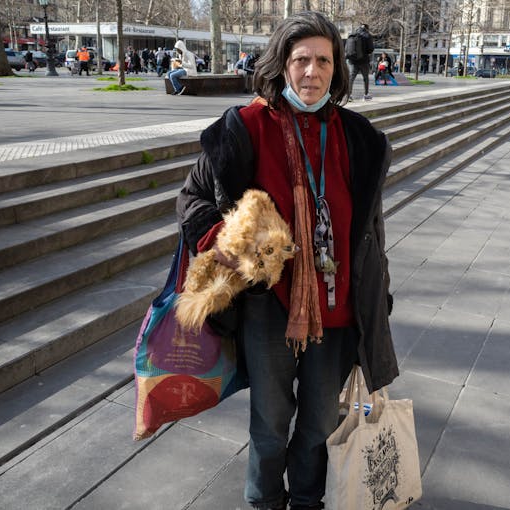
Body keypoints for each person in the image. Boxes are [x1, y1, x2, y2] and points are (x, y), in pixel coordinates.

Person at [176, 11, 398, 510]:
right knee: (271, 422)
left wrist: (378, 296)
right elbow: (190, 201)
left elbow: (371, 230)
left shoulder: (358, 137)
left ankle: (305, 500)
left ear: (337, 67)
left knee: (320, 421)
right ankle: (263, 501)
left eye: (323, 60)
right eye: (301, 60)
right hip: (268, 306)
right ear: (282, 65)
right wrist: (227, 243)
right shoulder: (245, 127)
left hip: (338, 310)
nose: (312, 72)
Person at [345, 23, 374, 101]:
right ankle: (366, 95)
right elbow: (370, 49)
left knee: (351, 78)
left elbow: (346, 48)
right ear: (367, 28)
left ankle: (349, 95)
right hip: (363, 61)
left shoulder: (352, 35)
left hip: (352, 61)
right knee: (365, 78)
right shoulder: (368, 35)